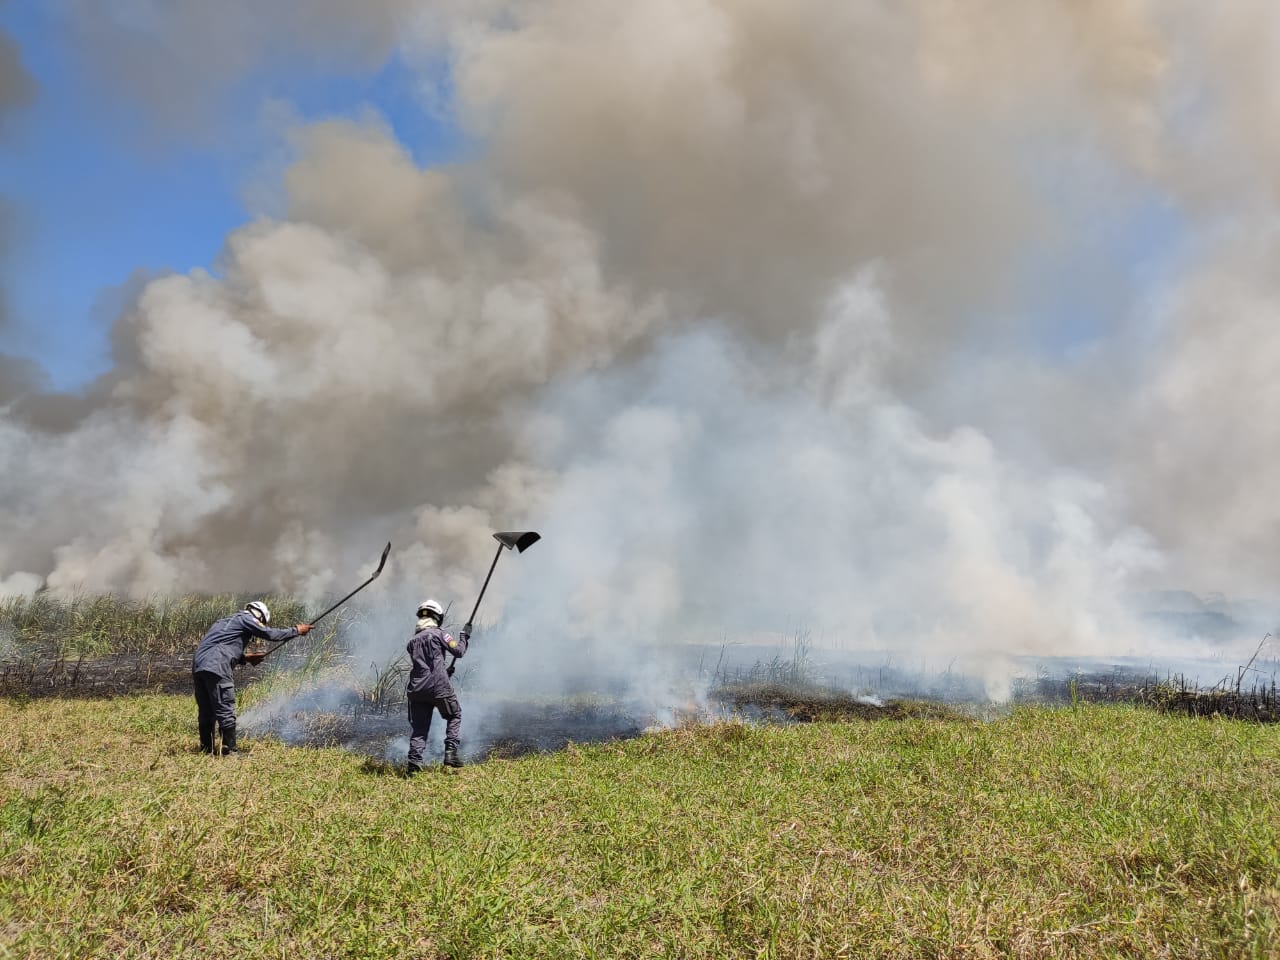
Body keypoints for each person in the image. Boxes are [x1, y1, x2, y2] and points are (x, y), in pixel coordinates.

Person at [192, 600, 312, 755]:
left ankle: (206, 750)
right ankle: (229, 752)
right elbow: (270, 634)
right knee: (225, 708)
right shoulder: (246, 618)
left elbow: (220, 646)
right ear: (259, 616)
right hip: (217, 667)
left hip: (199, 666)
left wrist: (246, 658)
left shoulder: (224, 621)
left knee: (207, 711)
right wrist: (296, 630)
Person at [405, 598, 470, 772]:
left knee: (419, 728)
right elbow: (459, 651)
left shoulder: (412, 641)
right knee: (455, 715)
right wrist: (464, 637)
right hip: (438, 687)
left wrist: (444, 672)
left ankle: (413, 764)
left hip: (416, 689)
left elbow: (424, 666)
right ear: (437, 618)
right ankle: (450, 753)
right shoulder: (439, 633)